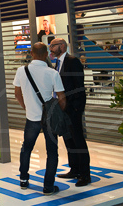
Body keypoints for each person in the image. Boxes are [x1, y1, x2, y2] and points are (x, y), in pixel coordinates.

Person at [13, 42, 66, 196]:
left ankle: (23, 180)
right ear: (46, 55)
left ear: (31, 54)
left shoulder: (21, 71)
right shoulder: (52, 73)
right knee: (52, 152)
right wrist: (59, 112)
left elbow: (17, 94)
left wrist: (26, 107)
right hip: (49, 118)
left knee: (26, 149)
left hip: (32, 118)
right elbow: (62, 98)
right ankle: (48, 187)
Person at [50, 38, 91, 187]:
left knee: (78, 140)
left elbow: (78, 86)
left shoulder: (72, 61)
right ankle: (74, 169)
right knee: (69, 140)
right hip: (62, 108)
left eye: (52, 46)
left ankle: (85, 174)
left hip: (72, 108)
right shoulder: (57, 63)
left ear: (62, 46)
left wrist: (74, 107)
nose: (50, 49)